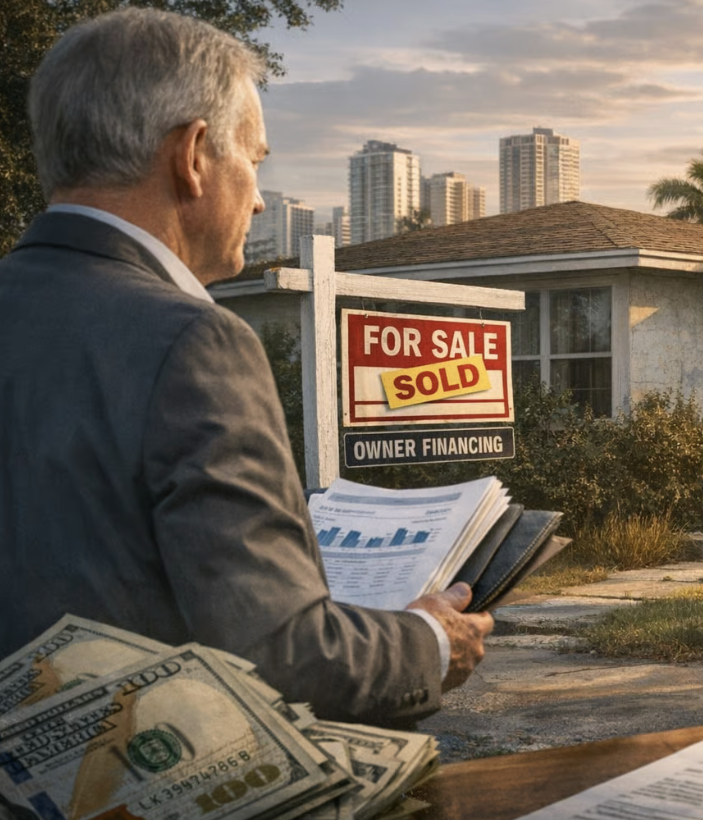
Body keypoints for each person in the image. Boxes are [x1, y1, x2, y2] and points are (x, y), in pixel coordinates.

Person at [0, 8, 492, 727]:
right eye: (255, 161)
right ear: (192, 155)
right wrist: (430, 643)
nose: (260, 198)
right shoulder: (194, 341)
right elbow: (280, 655)